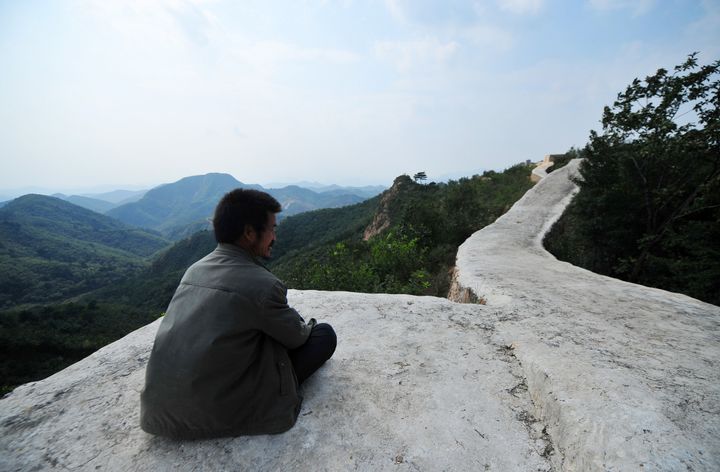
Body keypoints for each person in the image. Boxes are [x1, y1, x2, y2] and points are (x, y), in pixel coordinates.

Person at [140, 189, 337, 439]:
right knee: (323, 335)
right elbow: (296, 337)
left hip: (158, 410)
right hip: (216, 411)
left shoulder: (194, 271)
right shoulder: (263, 284)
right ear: (249, 233)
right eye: (272, 229)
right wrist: (298, 322)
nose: (275, 237)